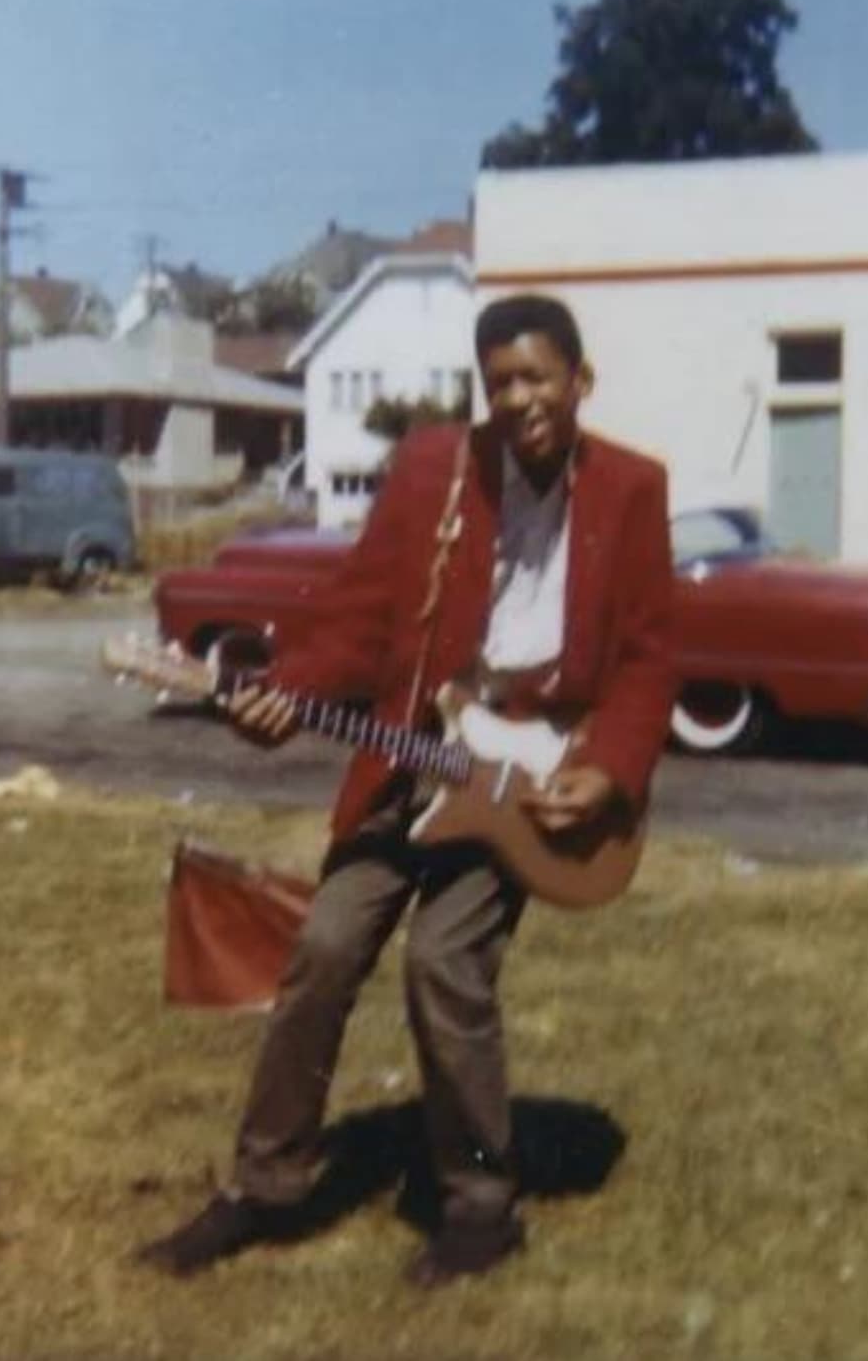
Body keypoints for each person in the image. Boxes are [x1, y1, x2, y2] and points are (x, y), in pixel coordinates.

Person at [137, 293, 677, 1288]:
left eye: (536, 377)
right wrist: (285, 690)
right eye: (500, 381)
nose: (519, 399)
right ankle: (266, 1186)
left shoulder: (633, 491)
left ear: (578, 381)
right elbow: (361, 618)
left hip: (529, 772)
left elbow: (648, 656)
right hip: (413, 760)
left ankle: (479, 1208)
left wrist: (608, 770)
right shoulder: (435, 470)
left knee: (443, 960)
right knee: (325, 944)